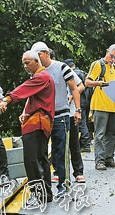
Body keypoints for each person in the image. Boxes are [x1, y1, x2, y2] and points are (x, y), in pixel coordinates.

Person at [0, 50, 55, 200]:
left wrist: (7, 99)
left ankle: (39, 193)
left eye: (28, 63)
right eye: (24, 64)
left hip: (37, 123)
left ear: (37, 61)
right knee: (40, 158)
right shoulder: (41, 76)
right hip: (39, 122)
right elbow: (32, 97)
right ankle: (45, 194)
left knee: (32, 159)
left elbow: (24, 89)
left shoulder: (42, 76)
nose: (26, 66)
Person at [31, 42, 81, 196]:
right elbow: (32, 93)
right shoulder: (36, 71)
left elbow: (74, 87)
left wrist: (78, 110)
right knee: (41, 153)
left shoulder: (61, 67)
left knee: (61, 152)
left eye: (38, 55)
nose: (36, 59)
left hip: (61, 115)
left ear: (46, 53)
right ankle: (45, 188)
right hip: (43, 117)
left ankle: (64, 186)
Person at [85, 44, 115, 170]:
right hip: (100, 104)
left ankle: (109, 158)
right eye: (111, 56)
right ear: (107, 52)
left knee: (112, 133)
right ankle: (99, 161)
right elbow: (87, 82)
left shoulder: (114, 67)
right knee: (100, 134)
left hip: (112, 104)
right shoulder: (98, 64)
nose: (112, 60)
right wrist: (98, 83)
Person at [63, 59, 86, 183]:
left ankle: (78, 172)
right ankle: (58, 172)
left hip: (70, 113)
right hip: (55, 114)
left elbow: (80, 85)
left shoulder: (63, 69)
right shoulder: (41, 73)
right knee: (58, 145)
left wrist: (73, 95)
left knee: (74, 143)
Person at [64, 59, 91, 155]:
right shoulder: (82, 72)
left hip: (77, 102)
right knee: (84, 122)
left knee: (81, 124)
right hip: (85, 101)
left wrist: (72, 95)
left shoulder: (72, 73)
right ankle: (86, 143)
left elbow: (79, 87)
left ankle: (86, 144)